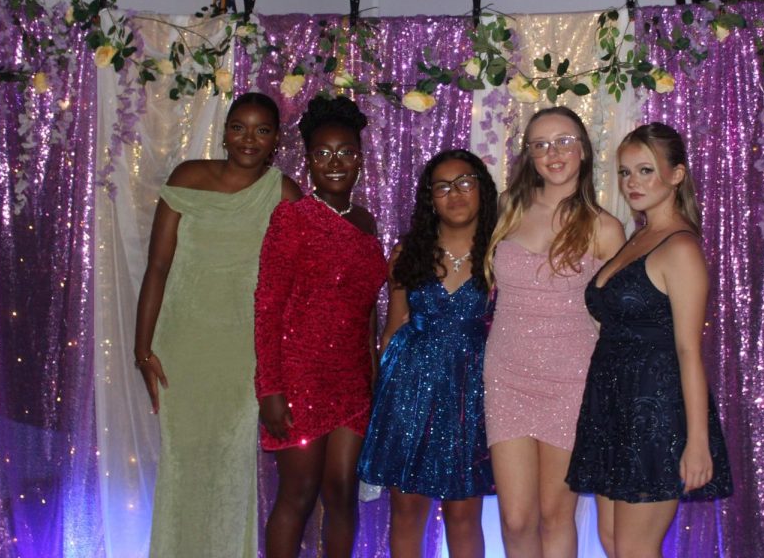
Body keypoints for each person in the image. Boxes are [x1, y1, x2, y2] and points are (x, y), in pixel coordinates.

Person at [133, 91, 302, 558]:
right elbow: (158, 267)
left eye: (262, 130)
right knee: (182, 465)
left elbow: (294, 287)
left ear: (276, 140)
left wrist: (282, 368)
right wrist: (142, 350)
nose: (249, 139)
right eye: (238, 127)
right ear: (225, 131)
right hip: (182, 346)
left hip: (244, 352)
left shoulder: (285, 193)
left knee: (229, 467)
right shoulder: (188, 177)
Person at [566, 122, 733, 557]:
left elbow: (688, 351)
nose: (632, 183)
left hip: (655, 411)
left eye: (645, 170)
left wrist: (696, 441)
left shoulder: (681, 249)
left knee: (635, 550)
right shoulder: (638, 236)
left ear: (676, 174)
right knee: (613, 543)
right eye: (624, 173)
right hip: (612, 405)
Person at [483, 106, 626, 558]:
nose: (553, 153)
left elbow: (618, 320)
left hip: (572, 383)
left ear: (583, 150)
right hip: (506, 377)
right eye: (541, 145)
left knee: (554, 515)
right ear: (529, 156)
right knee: (515, 517)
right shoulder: (506, 208)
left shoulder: (604, 228)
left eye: (564, 141)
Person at [255, 94, 388, 558]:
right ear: (307, 160)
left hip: (352, 382)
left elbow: (370, 312)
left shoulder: (368, 223)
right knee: (299, 492)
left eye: (347, 152)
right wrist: (269, 388)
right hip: (298, 378)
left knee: (342, 492)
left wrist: (374, 379)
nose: (335, 163)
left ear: (360, 159)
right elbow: (267, 306)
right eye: (323, 154)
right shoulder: (291, 219)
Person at [357, 149, 499, 558]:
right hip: (409, 392)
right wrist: (382, 404)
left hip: (469, 396)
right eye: (443, 187)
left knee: (463, 515)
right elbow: (394, 326)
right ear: (430, 198)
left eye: (465, 183)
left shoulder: (501, 253)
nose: (455, 194)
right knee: (406, 511)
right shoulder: (408, 253)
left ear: (481, 190)